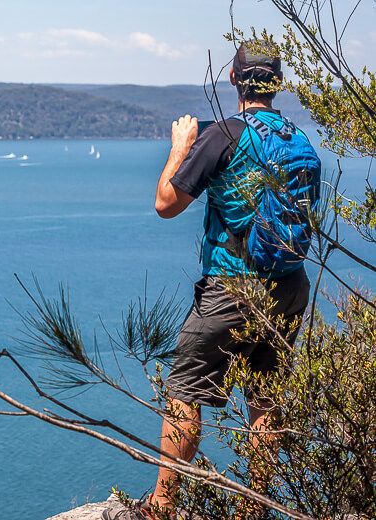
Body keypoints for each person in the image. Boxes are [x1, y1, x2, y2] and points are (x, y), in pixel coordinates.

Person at [101, 42, 319, 520]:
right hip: (290, 285)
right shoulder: (299, 141)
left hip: (233, 288)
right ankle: (253, 508)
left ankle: (160, 507)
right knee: (265, 393)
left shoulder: (224, 134)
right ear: (276, 84)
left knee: (184, 388)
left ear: (234, 79)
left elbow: (165, 203)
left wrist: (180, 147)